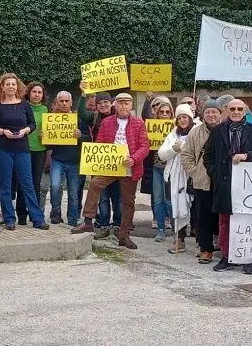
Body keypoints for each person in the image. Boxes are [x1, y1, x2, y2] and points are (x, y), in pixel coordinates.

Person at [72, 93, 150, 250]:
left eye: (126, 103)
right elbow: (100, 142)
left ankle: (124, 235)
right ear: (115, 105)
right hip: (110, 166)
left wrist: (134, 158)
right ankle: (88, 220)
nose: (123, 106)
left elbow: (144, 146)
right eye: (120, 103)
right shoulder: (107, 122)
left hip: (129, 167)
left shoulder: (138, 124)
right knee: (94, 183)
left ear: (131, 106)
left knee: (128, 202)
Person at [203, 98, 252, 274]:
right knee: (225, 221)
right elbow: (207, 156)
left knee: (248, 221)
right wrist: (215, 173)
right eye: (232, 108)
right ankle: (226, 256)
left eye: (240, 109)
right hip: (224, 183)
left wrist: (247, 156)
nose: (236, 112)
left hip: (248, 185)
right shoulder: (217, 131)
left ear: (245, 111)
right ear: (226, 110)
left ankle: (247, 258)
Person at [0, 73, 49, 231]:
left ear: (18, 86)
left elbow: (32, 124)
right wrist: (2, 131)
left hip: (22, 149)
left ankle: (37, 218)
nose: (11, 87)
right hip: (2, 150)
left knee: (28, 185)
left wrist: (26, 130)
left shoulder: (24, 105)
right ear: (2, 87)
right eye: (7, 84)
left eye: (13, 84)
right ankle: (9, 219)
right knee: (6, 186)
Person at [181, 99, 221, 264]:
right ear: (203, 114)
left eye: (214, 112)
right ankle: (205, 249)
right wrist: (194, 172)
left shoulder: (227, 130)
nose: (211, 115)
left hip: (222, 181)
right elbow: (186, 155)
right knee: (202, 217)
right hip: (202, 181)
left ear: (220, 113)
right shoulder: (195, 133)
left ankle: (223, 247)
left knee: (222, 217)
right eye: (208, 112)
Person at [77, 88, 120, 239]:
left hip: (118, 163)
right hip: (100, 162)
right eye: (100, 103)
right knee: (102, 196)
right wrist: (83, 95)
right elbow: (81, 113)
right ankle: (103, 225)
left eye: (106, 102)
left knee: (118, 197)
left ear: (111, 103)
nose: (103, 105)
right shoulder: (94, 118)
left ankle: (118, 226)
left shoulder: (120, 117)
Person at [158, 104, 195, 254]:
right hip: (174, 176)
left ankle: (201, 241)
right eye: (179, 118)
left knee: (192, 206)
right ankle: (179, 239)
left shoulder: (196, 132)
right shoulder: (173, 135)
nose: (182, 120)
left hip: (190, 175)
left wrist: (184, 146)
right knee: (175, 206)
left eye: (185, 117)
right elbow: (162, 154)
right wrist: (174, 148)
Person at [47, 91, 86, 226]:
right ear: (57, 103)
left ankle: (72, 220)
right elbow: (48, 144)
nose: (64, 104)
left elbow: (89, 139)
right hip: (57, 160)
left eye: (66, 101)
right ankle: (56, 214)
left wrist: (81, 135)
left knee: (74, 194)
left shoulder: (78, 119)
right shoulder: (51, 120)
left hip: (74, 162)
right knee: (55, 186)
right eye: (61, 101)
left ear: (71, 103)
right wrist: (44, 137)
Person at [24, 81, 50, 215]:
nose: (37, 95)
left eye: (39, 92)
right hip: (25, 149)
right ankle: (23, 211)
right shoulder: (22, 107)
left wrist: (47, 134)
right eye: (34, 92)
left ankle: (35, 212)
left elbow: (50, 129)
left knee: (36, 182)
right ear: (28, 93)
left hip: (40, 150)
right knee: (24, 182)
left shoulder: (45, 110)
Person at [151, 101, 174, 240]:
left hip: (172, 170)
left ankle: (175, 230)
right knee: (158, 200)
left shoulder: (177, 129)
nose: (164, 114)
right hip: (156, 168)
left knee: (170, 201)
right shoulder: (151, 128)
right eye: (161, 112)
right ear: (157, 114)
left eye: (167, 112)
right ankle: (160, 229)